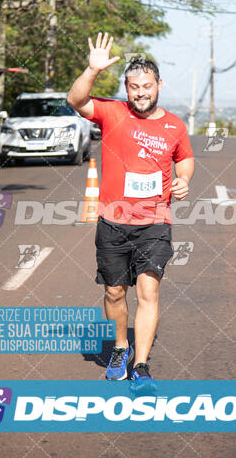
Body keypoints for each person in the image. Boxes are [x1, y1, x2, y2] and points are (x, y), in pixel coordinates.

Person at [68, 32, 194, 392]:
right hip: (113, 221)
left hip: (155, 222)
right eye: (134, 86)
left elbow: (184, 158)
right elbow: (76, 100)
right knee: (114, 293)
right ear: (127, 87)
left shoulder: (174, 125)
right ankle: (121, 349)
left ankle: (140, 363)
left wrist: (183, 179)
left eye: (147, 86)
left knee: (149, 291)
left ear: (158, 85)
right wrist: (92, 70)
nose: (140, 92)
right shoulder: (112, 112)